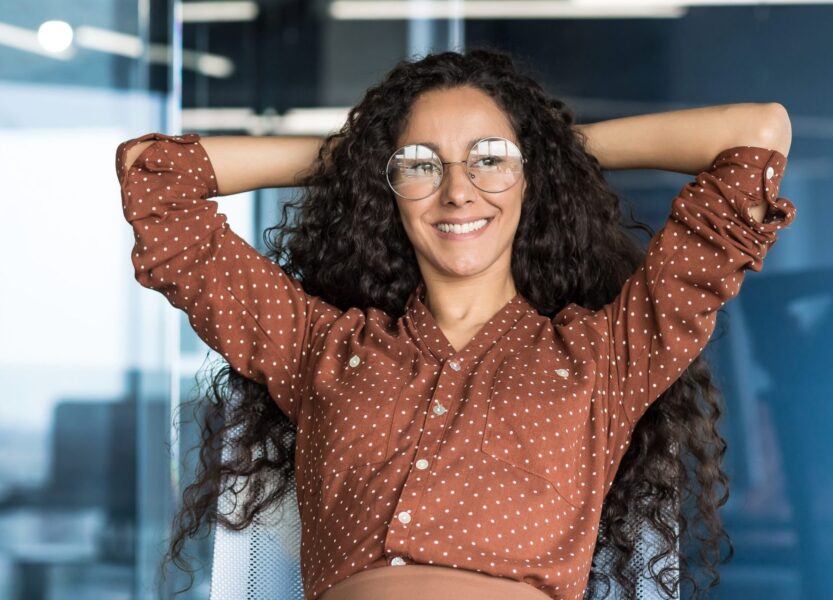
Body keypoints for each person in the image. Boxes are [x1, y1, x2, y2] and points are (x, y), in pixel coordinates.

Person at [115, 48, 795, 600]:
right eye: (420, 166)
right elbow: (152, 176)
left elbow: (757, 134)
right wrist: (365, 154)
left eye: (490, 160)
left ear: (533, 177)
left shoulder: (605, 357)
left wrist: (548, 147)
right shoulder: (322, 349)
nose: (458, 189)